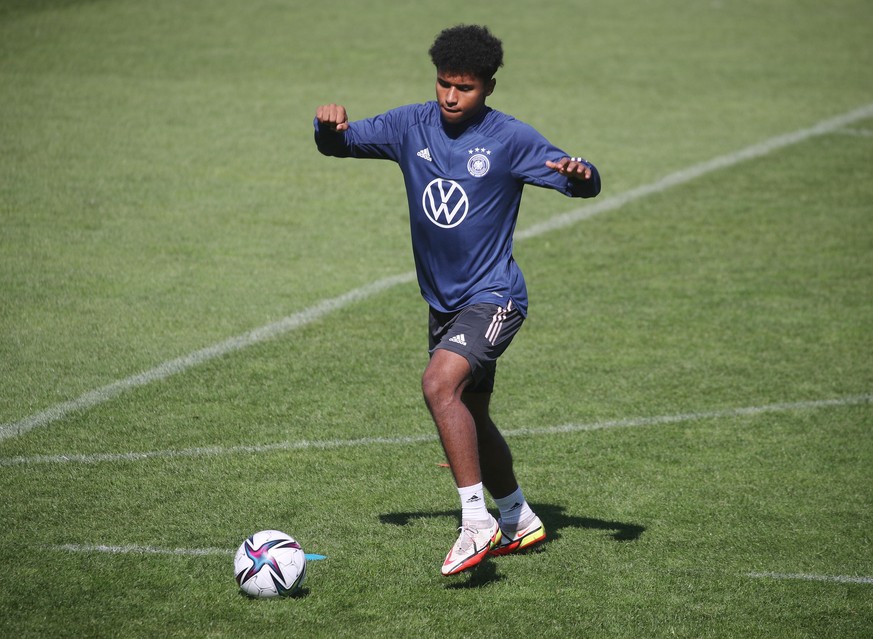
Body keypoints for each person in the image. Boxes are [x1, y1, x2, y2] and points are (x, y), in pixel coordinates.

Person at [314, 24, 601, 576]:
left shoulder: (510, 139)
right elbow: (341, 144)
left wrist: (582, 175)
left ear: (488, 87)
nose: (450, 96)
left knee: (437, 385)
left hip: (495, 298)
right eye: (444, 84)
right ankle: (518, 517)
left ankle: (477, 522)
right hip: (444, 304)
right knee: (470, 412)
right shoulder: (409, 125)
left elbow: (580, 183)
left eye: (464, 88)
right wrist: (328, 127)